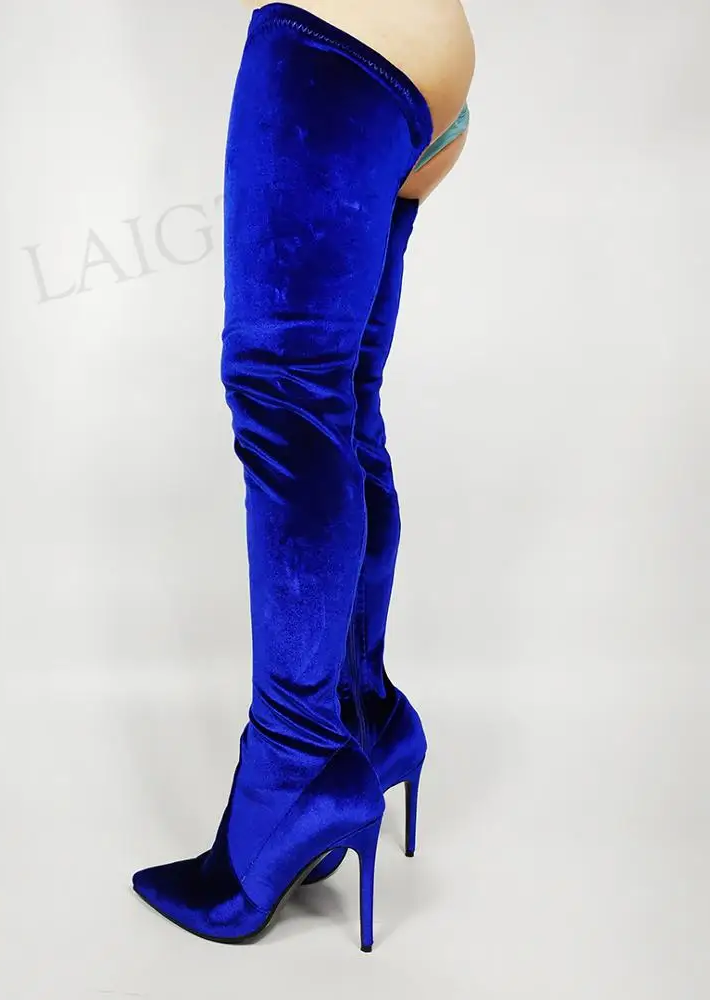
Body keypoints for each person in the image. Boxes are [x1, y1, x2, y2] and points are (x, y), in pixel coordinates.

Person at [131, 1, 475, 951]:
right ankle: (361, 712)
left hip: (340, 48)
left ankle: (296, 765)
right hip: (425, 59)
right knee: (340, 403)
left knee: (286, 397)